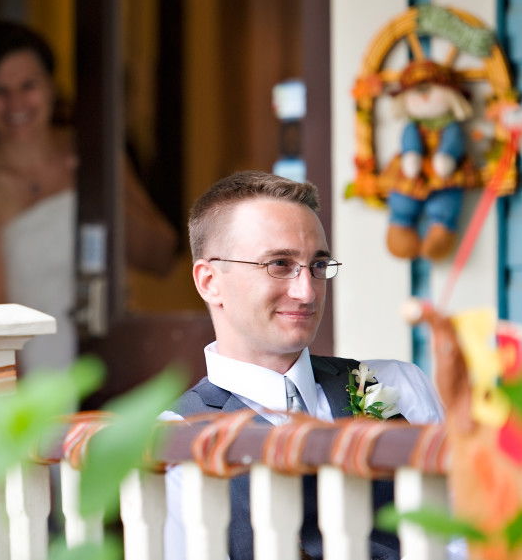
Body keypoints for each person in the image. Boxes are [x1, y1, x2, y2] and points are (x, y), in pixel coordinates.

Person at [163, 170, 445, 560]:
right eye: (279, 264)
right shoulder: (179, 436)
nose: (307, 291)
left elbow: (461, 538)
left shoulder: (388, 384)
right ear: (210, 281)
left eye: (317, 264)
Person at [0, 21, 179, 372]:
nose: (15, 103)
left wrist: (98, 189)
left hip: (110, 352)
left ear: (51, 86)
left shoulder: (95, 152)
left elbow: (160, 256)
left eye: (28, 85)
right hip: (36, 366)